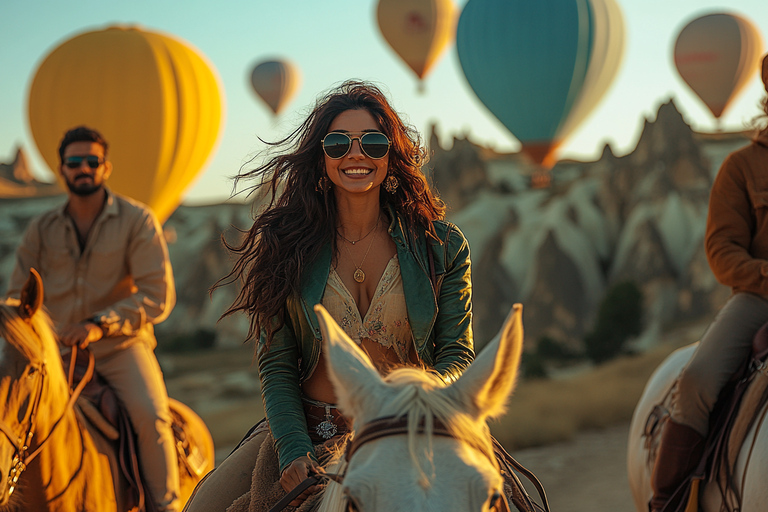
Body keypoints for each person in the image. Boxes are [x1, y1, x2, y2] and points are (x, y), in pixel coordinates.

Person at [183, 80, 475, 511]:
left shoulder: (442, 246)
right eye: (338, 142)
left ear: (391, 158)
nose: (356, 154)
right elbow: (277, 363)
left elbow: (456, 354)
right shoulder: (286, 248)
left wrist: (419, 408)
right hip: (309, 431)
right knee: (203, 507)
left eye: (373, 142)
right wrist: (293, 449)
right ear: (321, 159)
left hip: (413, 428)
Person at [7, 126, 181, 512]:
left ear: (106, 167)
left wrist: (100, 323)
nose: (83, 168)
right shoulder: (41, 229)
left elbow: (157, 295)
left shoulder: (137, 220)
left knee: (151, 418)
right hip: (54, 353)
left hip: (119, 347)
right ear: (61, 169)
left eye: (92, 161)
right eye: (74, 162)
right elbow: (18, 297)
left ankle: (167, 506)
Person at [650, 53, 768, 512]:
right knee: (698, 380)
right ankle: (668, 501)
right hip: (760, 297)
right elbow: (722, 253)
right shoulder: (741, 167)